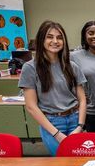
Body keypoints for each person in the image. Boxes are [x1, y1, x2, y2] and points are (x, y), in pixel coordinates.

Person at [19, 20, 87, 156]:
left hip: (75, 119)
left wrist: (80, 126)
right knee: (61, 163)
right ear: (41, 40)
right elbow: (31, 106)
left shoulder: (71, 66)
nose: (55, 41)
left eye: (59, 37)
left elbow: (82, 99)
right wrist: (56, 134)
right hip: (52, 123)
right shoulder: (30, 68)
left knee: (79, 162)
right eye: (50, 37)